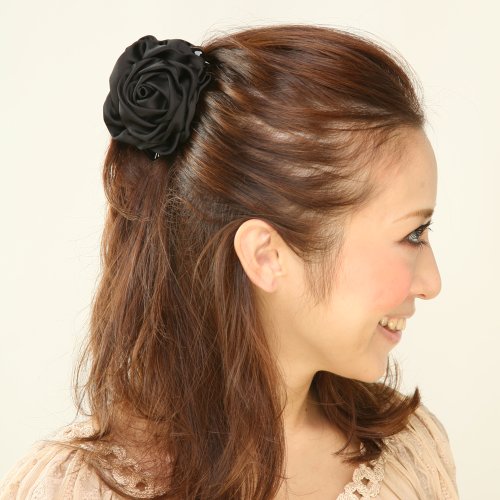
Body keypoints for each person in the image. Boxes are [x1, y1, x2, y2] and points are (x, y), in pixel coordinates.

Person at [0, 24, 458, 499]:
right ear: (267, 256)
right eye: (412, 235)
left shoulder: (410, 458)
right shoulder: (72, 488)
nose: (432, 283)